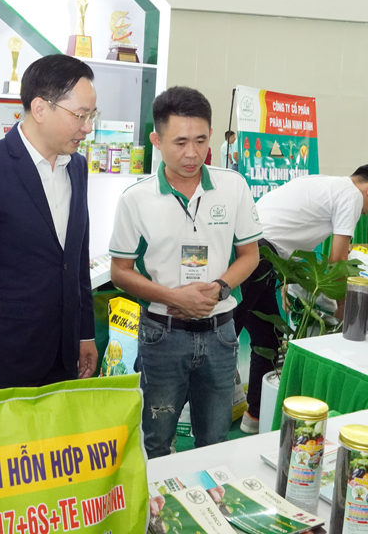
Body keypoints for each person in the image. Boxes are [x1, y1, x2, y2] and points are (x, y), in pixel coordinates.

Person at [109, 86, 261, 458]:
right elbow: (120, 272)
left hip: (221, 333)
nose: (192, 153)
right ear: (157, 140)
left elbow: (250, 255)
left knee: (215, 438)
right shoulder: (136, 198)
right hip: (163, 334)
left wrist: (221, 287)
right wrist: (174, 297)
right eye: (180, 142)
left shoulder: (233, 186)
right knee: (155, 440)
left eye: (201, 140)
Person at [0, 54, 98, 393]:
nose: (88, 127)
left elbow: (76, 261)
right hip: (3, 361)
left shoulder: (77, 167)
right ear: (40, 108)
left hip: (64, 356)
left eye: (92, 116)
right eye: (80, 115)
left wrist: (85, 333)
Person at [233, 165, 368, 434]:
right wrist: (342, 305)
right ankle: (198, 419)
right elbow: (338, 259)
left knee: (267, 338)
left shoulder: (324, 183)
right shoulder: (352, 195)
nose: (367, 212)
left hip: (255, 251)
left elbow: (295, 233)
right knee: (226, 338)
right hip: (259, 256)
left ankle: (255, 417)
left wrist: (287, 278)